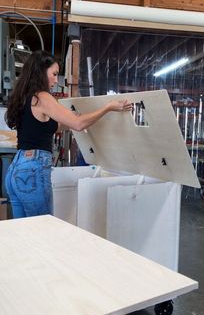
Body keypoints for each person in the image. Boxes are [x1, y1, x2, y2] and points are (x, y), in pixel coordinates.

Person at [5, 50, 132, 219]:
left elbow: (47, 127)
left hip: (16, 170)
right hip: (32, 172)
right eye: (54, 74)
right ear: (41, 72)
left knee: (24, 235)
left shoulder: (25, 97)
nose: (56, 80)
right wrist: (107, 107)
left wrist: (75, 119)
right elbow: (78, 124)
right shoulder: (43, 97)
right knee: (41, 231)